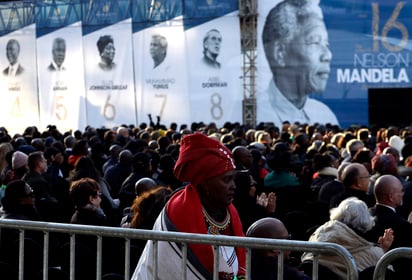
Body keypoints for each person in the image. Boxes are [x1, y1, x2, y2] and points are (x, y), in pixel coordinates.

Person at [132, 133, 246, 279]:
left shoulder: (229, 210)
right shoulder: (180, 209)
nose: (233, 186)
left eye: (233, 179)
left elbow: (239, 264)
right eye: (227, 180)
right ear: (205, 183)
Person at [259, 0, 339, 126]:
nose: (327, 55)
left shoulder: (325, 116)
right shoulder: (256, 115)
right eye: (315, 43)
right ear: (280, 53)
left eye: (326, 44)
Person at [301, 197, 394, 279]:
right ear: (367, 219)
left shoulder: (316, 235)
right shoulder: (374, 253)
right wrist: (382, 252)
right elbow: (387, 273)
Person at [367, 174, 412, 277]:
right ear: (391, 197)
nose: (403, 193)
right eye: (401, 191)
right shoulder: (402, 225)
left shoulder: (366, 216)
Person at [246, 217, 311, 280]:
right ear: (274, 247)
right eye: (288, 238)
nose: (290, 243)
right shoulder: (291, 275)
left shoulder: (241, 269)